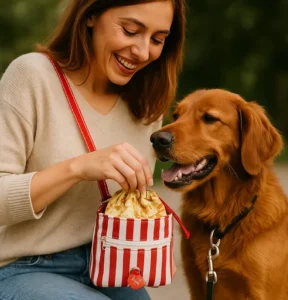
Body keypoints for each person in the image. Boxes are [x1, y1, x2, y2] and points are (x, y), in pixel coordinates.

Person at [0, 0, 185, 299]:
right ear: (91, 16)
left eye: (157, 40)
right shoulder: (31, 76)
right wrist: (78, 168)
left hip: (109, 265)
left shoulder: (147, 105)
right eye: (130, 30)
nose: (141, 51)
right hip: (20, 267)